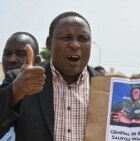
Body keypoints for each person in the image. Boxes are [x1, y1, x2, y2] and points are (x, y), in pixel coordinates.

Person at [0, 11, 103, 141]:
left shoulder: (107, 88)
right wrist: (15, 92)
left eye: (83, 39)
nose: (75, 45)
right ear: (49, 43)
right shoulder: (21, 81)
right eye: (66, 38)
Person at [0, 32, 41, 141]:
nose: (12, 59)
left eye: (21, 54)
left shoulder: (46, 99)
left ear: (36, 62)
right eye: (7, 54)